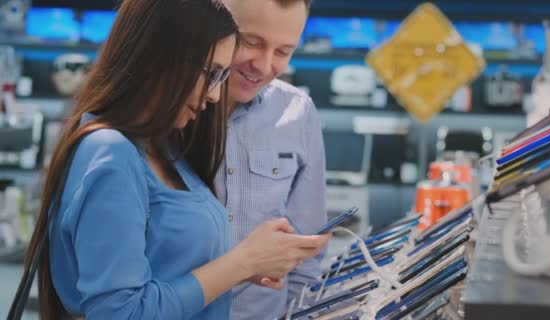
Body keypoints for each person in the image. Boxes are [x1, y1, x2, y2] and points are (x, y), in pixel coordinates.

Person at [20, 0, 328, 319]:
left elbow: (164, 262)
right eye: (212, 73)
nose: (214, 95)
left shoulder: (163, 148)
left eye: (283, 51)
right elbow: (122, 311)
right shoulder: (112, 150)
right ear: (165, 57)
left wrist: (248, 264)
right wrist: (242, 262)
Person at [217, 0, 327, 318]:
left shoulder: (298, 111)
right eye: (251, 42)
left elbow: (307, 253)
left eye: (283, 52)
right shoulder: (171, 113)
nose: (263, 66)